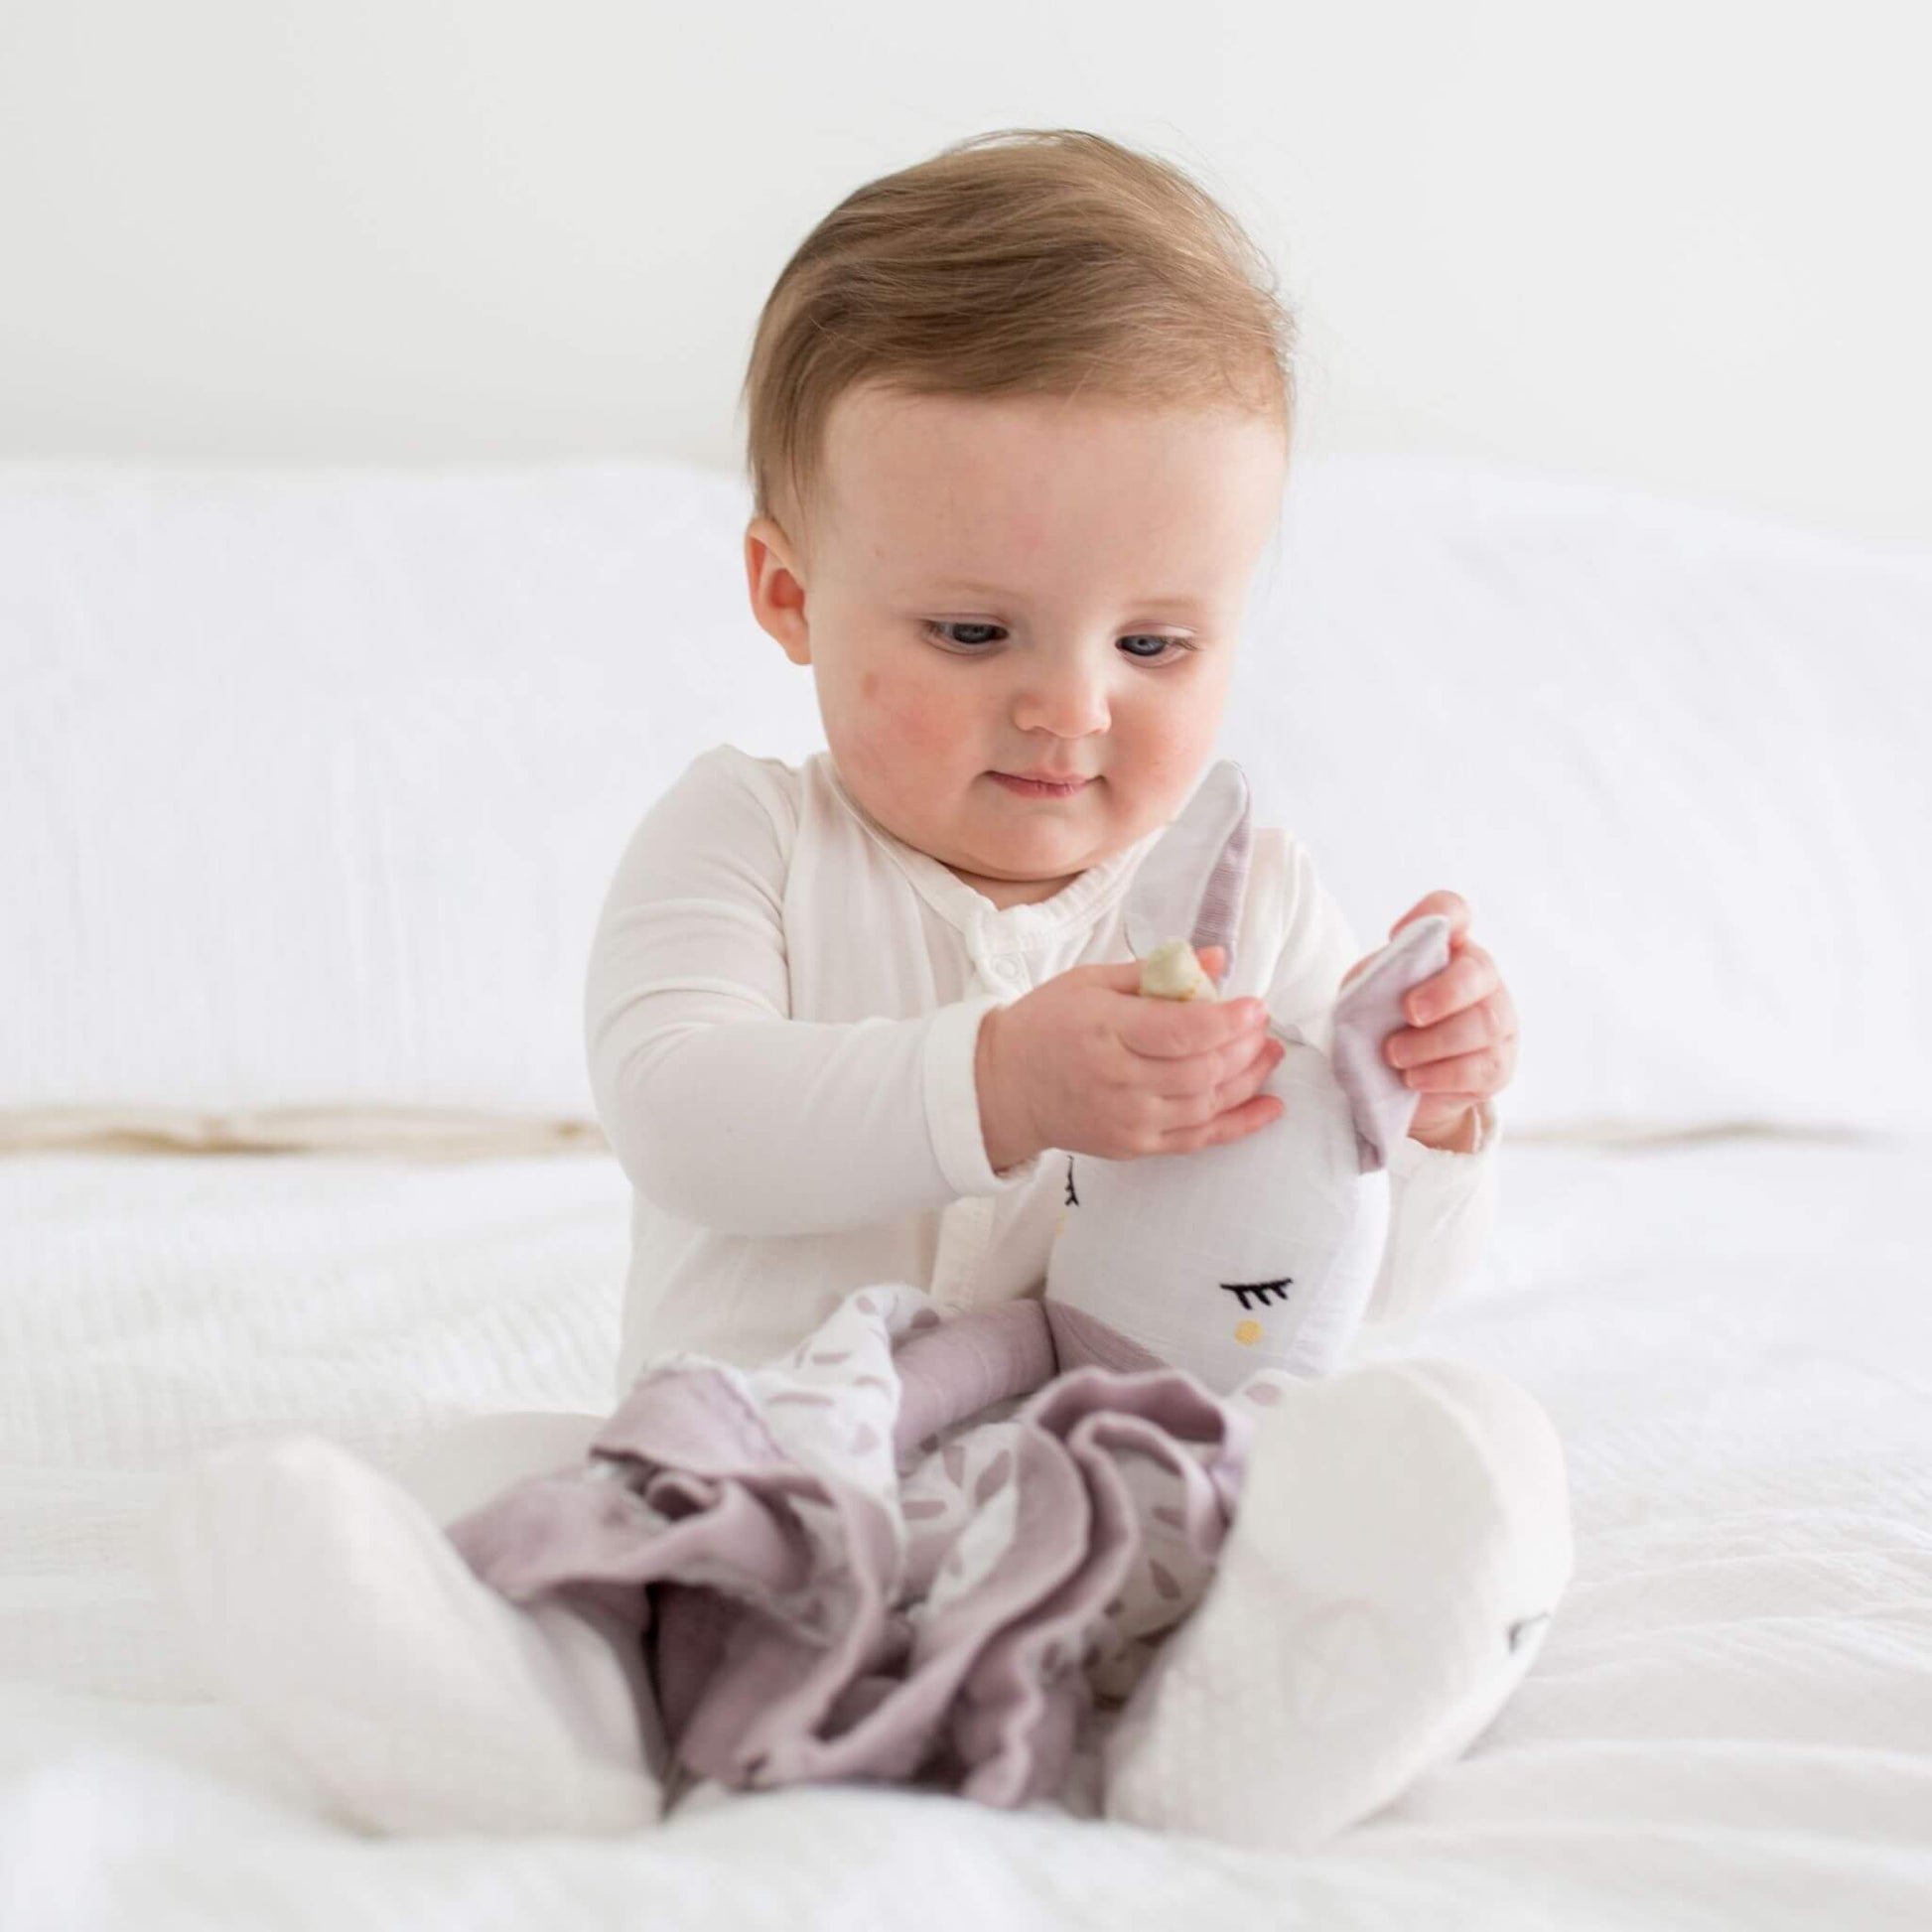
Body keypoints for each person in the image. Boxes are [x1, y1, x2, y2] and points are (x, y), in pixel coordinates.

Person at [152, 128, 1544, 1845]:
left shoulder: (1256, 904)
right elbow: (684, 1111)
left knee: (1457, 1445)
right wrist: (1001, 1084)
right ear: (788, 595)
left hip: (1128, 1502)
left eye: (1155, 643)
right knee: (479, 1479)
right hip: (767, 1488)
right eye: (974, 634)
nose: (1070, 706)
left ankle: (1240, 1721)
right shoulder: (743, 837)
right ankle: (541, 1734)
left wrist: (1432, 1110)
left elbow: (1349, 1282)